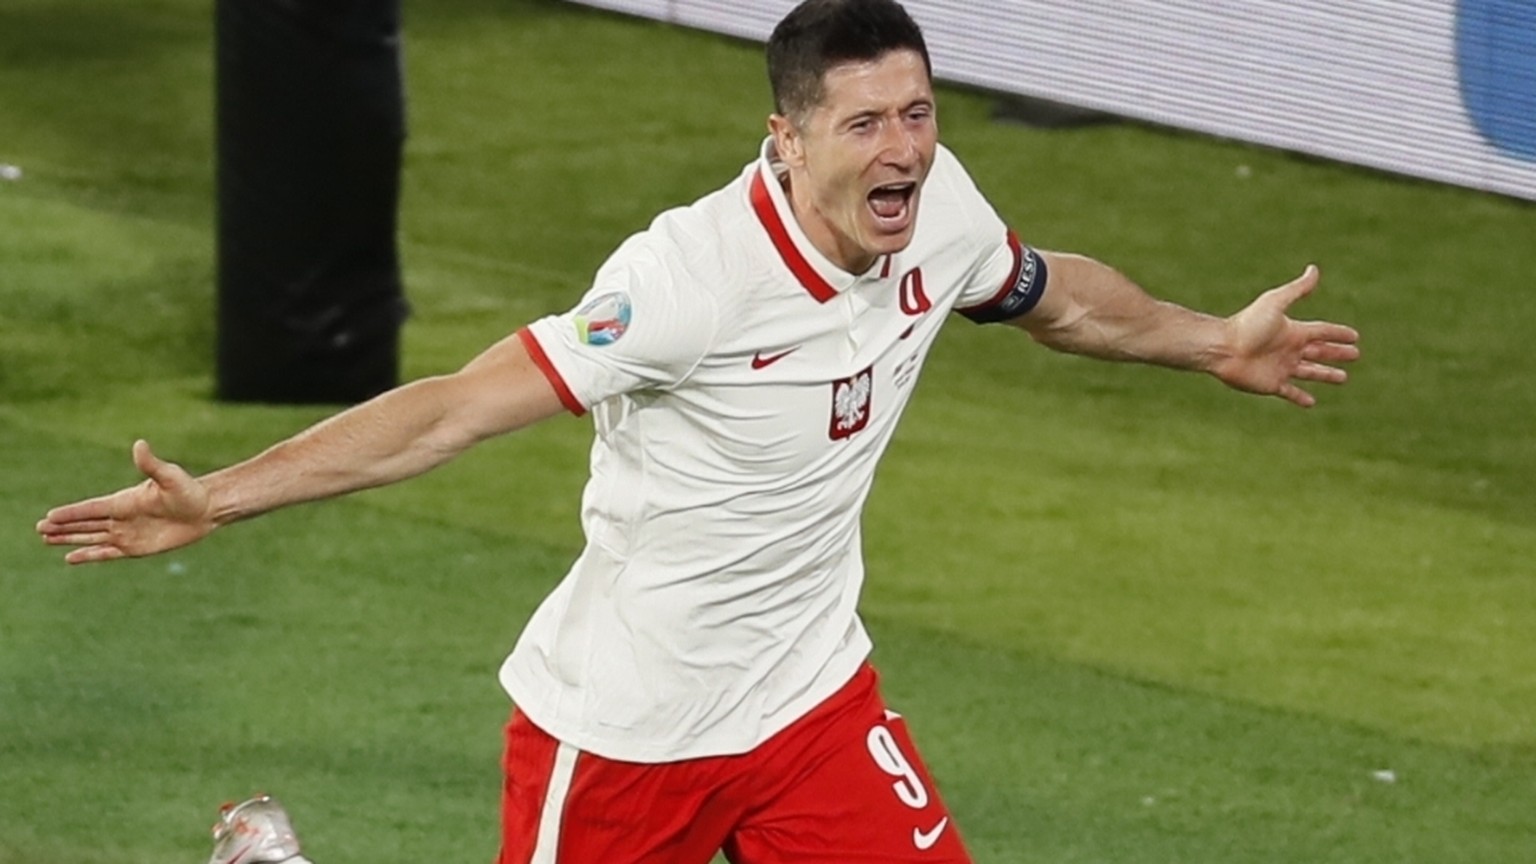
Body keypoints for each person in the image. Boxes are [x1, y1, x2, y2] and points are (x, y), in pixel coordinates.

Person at [36, 0, 1360, 861]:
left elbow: (1049, 295)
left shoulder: (937, 204)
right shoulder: (687, 281)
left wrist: (1210, 341)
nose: (902, 149)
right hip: (623, 735)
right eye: (866, 124)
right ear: (785, 138)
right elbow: (449, 411)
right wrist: (223, 496)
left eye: (918, 113)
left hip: (808, 701)